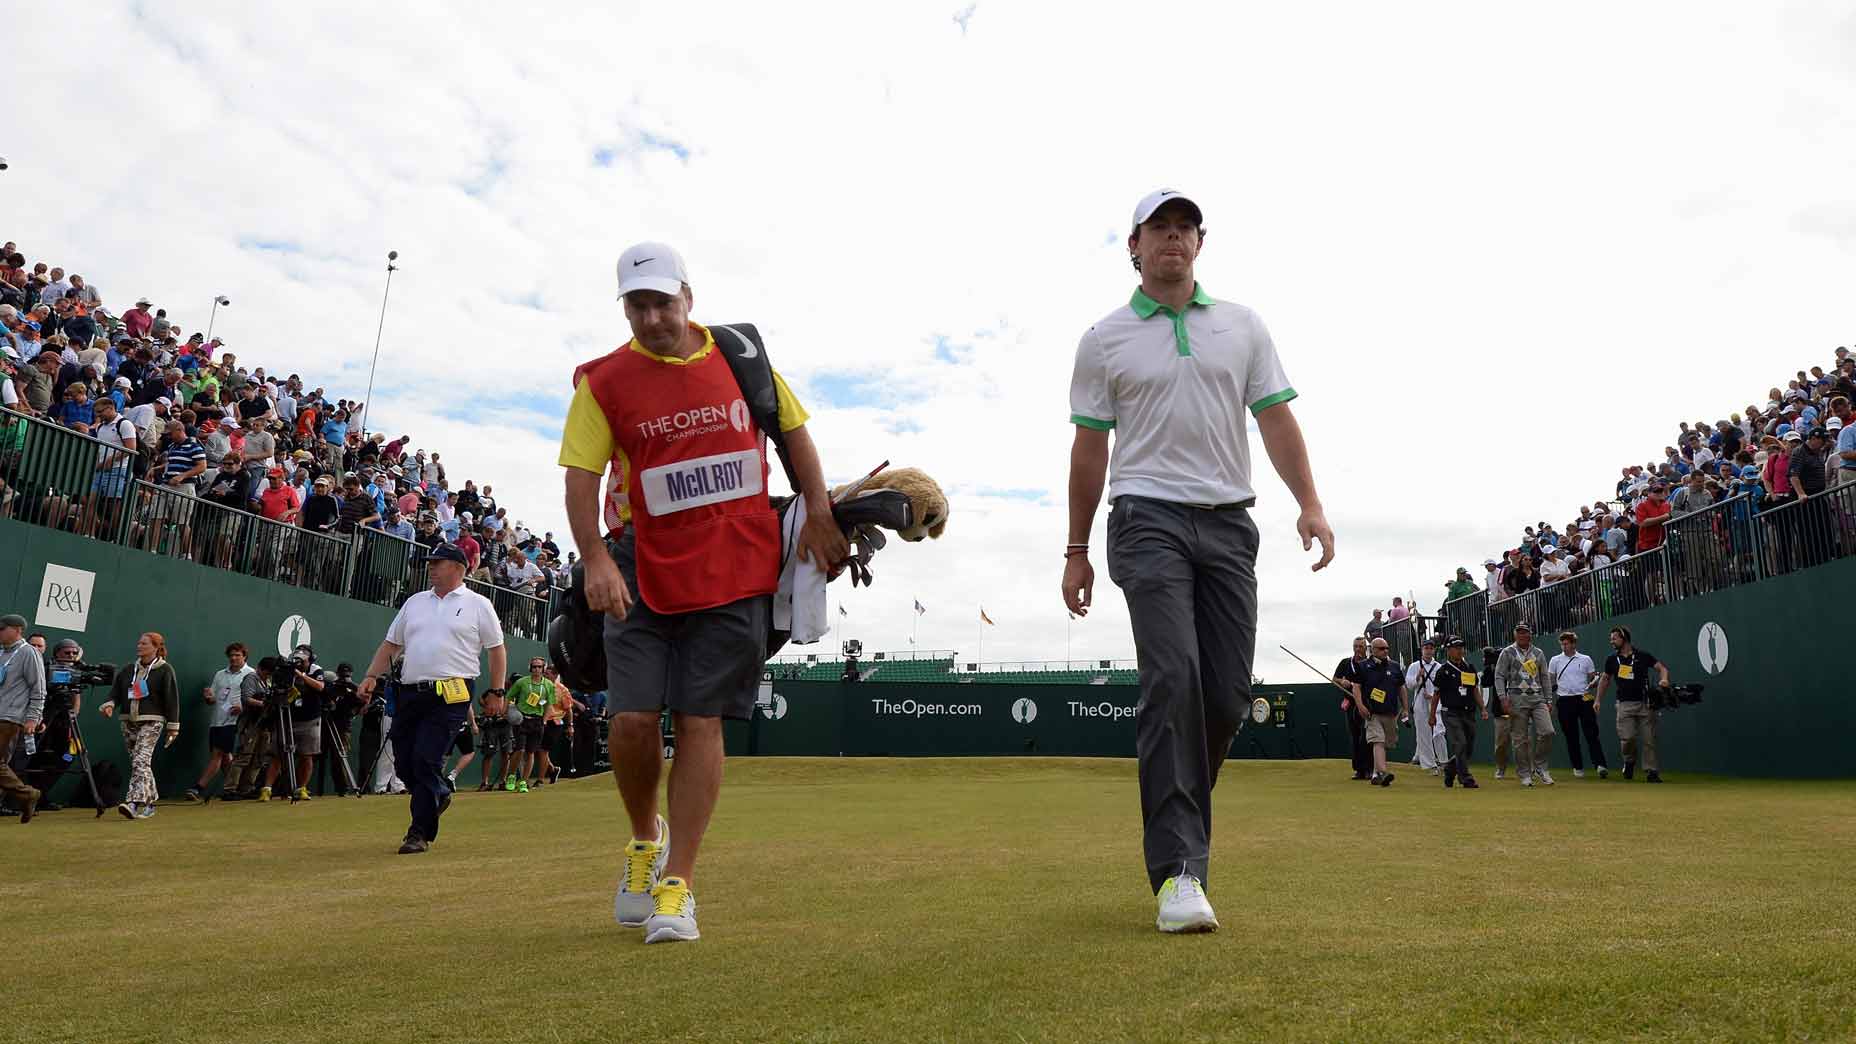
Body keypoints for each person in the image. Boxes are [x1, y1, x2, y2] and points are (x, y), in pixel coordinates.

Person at [558, 241, 848, 944]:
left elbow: (795, 435)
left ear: (689, 297)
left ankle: (678, 884)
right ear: (624, 309)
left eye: (663, 301)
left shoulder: (741, 358)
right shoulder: (603, 381)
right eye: (637, 305)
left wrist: (818, 512)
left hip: (733, 567)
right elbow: (579, 477)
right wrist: (594, 558)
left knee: (700, 722)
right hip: (639, 565)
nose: (652, 317)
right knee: (630, 720)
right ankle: (642, 839)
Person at [1061, 190, 1333, 934]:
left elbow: (1275, 418)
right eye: (1160, 229)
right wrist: (1077, 548)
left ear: (1199, 245)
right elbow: (1091, 449)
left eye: (1186, 229)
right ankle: (1180, 872)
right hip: (1145, 518)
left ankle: (1179, 816)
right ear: (1134, 245)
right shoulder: (1104, 338)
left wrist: (1309, 503)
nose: (1173, 240)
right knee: (1172, 677)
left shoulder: (1242, 326)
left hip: (1229, 523)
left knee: (1224, 698)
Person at [356, 543, 506, 854]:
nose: (430, 567)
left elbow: (496, 649)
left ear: (458, 567)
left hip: (452, 693)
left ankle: (419, 832)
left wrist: (497, 690)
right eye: (430, 562)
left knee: (426, 758)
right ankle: (438, 792)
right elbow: (390, 645)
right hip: (410, 690)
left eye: (437, 562)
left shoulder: (478, 604)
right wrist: (372, 675)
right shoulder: (414, 602)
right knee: (404, 762)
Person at [98, 632, 180, 819]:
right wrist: (109, 705)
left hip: (152, 721)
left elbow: (172, 699)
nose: (139, 646)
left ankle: (133, 803)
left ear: (156, 647)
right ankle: (150, 803)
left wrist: (173, 726)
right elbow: (116, 693)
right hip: (128, 721)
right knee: (140, 763)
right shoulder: (128, 670)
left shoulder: (165, 670)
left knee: (140, 761)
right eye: (139, 643)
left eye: (144, 643)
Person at [1594, 625, 1670, 782]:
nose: (1611, 641)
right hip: (1624, 705)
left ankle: (1652, 772)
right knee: (1627, 739)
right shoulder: (1611, 660)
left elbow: (1661, 668)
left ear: (1624, 638)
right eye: (1611, 639)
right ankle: (1629, 761)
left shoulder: (1642, 656)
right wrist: (1598, 700)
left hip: (1645, 703)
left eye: (1614, 638)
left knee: (1649, 739)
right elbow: (1605, 679)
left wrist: (1664, 679)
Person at [186, 642, 254, 801]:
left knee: (218, 754)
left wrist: (242, 708)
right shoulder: (220, 675)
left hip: (236, 722)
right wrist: (208, 697)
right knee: (224, 756)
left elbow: (256, 699)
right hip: (217, 721)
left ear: (244, 656)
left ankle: (198, 788)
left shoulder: (251, 674)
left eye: (237, 655)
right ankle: (234, 788)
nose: (234, 658)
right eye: (231, 655)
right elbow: (213, 699)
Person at [1494, 623, 1554, 787]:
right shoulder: (1507, 652)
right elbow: (1499, 675)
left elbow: (1545, 677)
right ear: (1515, 635)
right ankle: (1525, 774)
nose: (1521, 635)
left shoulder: (1538, 653)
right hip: (1516, 698)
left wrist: (1549, 699)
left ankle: (1540, 765)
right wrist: (1502, 698)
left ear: (1530, 635)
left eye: (1524, 633)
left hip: (1537, 697)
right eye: (1518, 633)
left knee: (1548, 731)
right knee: (1520, 739)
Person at [0, 613, 47, 823]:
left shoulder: (29, 653)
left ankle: (27, 794)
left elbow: (38, 689)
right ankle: (27, 796)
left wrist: (33, 718)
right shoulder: (1, 652)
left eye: (3, 628)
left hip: (10, 718)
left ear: (18, 630)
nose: (0, 632)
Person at [1548, 631, 1607, 780]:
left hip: (1584, 699)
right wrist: (1550, 699)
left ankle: (1600, 765)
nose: (1564, 646)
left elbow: (1593, 678)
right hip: (1564, 700)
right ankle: (1578, 767)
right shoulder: (1555, 660)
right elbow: (1550, 681)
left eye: (1566, 643)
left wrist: (1594, 682)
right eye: (1562, 644)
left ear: (1573, 644)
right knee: (1571, 736)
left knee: (1592, 733)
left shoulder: (1586, 659)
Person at [1429, 637, 1483, 788]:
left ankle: (1450, 768)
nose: (1460, 650)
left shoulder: (1469, 668)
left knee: (1468, 747)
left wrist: (1483, 708)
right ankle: (1465, 777)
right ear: (1449, 650)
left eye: (1461, 647)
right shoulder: (1443, 671)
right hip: (1451, 712)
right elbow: (1436, 695)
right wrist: (1432, 715)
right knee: (1460, 743)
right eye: (1456, 647)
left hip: (1469, 712)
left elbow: (1474, 690)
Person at [1351, 637, 1405, 786]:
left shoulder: (1394, 666)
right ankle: (1383, 772)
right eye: (1381, 648)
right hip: (1372, 712)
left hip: (1390, 712)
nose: (1385, 651)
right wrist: (1360, 705)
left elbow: (1401, 688)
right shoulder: (1363, 666)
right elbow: (1356, 687)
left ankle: (1375, 773)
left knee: (1387, 742)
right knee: (1378, 741)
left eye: (1387, 648)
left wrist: (1405, 708)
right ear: (1373, 650)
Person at [505, 657, 559, 792]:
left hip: (537, 721)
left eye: (539, 667)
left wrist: (544, 720)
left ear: (543, 668)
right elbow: (509, 697)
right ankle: (511, 776)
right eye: (534, 667)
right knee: (520, 749)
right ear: (530, 668)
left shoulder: (549, 685)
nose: (536, 669)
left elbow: (549, 705)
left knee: (531, 753)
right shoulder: (521, 683)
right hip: (521, 719)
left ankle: (524, 781)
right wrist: (505, 712)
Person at [1404, 637, 1446, 774]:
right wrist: (1417, 677)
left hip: (1436, 702)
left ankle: (1443, 761)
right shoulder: (1414, 666)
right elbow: (1409, 685)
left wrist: (1434, 695)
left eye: (1431, 648)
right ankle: (1430, 765)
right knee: (1424, 734)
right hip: (1420, 702)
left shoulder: (1439, 667)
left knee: (1439, 731)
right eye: (1426, 648)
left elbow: (1443, 687)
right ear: (1422, 650)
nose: (1428, 651)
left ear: (1434, 650)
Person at [476, 684, 513, 792]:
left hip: (505, 725)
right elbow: (481, 700)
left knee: (506, 753)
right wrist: (486, 707)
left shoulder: (512, 694)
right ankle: (484, 782)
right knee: (489, 753)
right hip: (491, 725)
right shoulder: (489, 692)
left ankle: (503, 781)